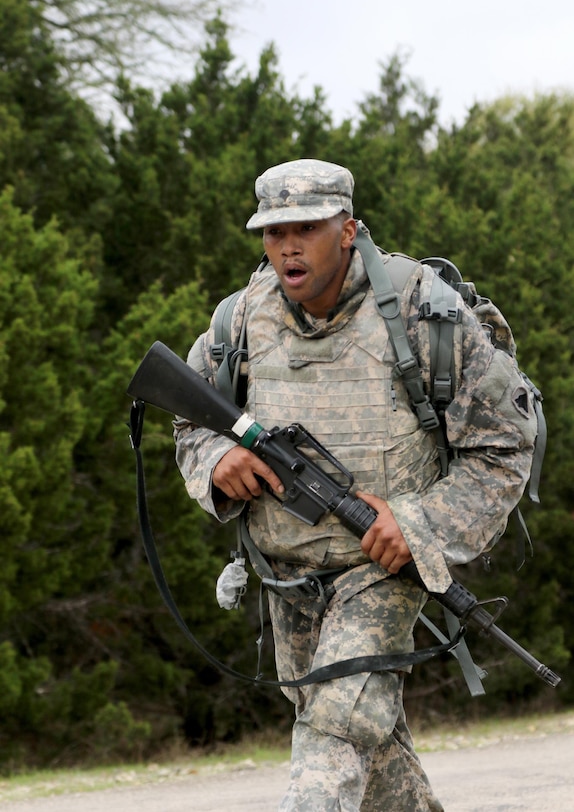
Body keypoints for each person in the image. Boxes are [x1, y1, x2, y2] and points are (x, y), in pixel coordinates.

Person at [174, 159, 537, 810]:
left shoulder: (425, 315)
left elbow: (505, 444)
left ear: (347, 229)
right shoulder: (238, 323)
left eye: (306, 228)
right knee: (370, 746)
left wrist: (419, 525)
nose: (287, 245)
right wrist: (214, 462)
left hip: (383, 568)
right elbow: (189, 416)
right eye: (273, 230)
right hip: (287, 573)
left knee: (336, 728)